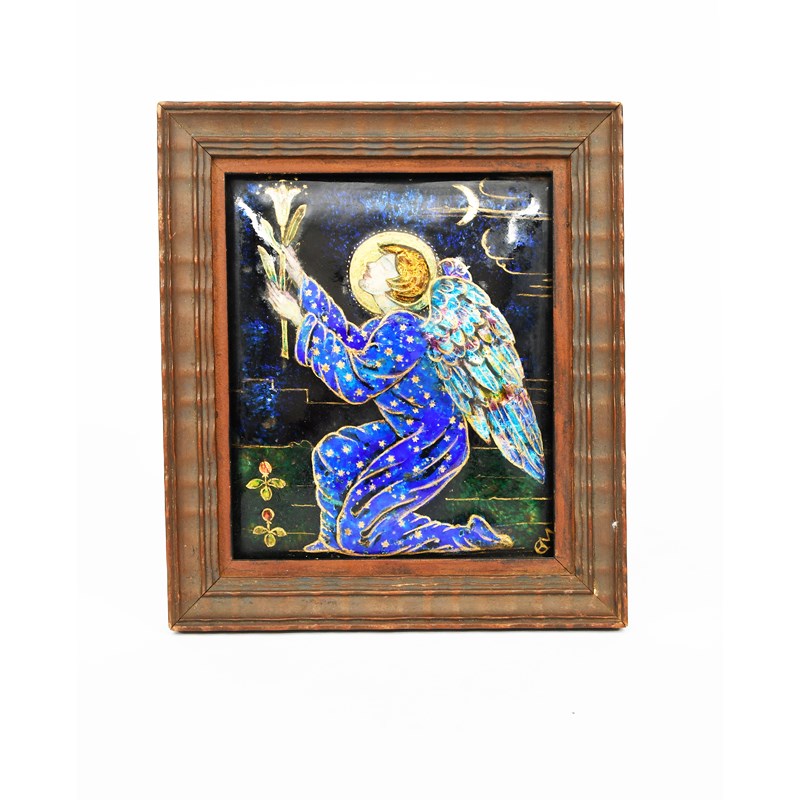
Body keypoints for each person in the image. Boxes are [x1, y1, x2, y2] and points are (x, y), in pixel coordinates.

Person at [264, 243, 512, 556]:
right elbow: (346, 338)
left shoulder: (405, 331)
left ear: (399, 285)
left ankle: (463, 537)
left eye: (383, 265)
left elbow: (356, 382)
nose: (370, 264)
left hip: (432, 444)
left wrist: (300, 321)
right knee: (333, 454)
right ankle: (331, 541)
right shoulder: (385, 327)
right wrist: (300, 278)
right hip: (405, 433)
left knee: (361, 535)